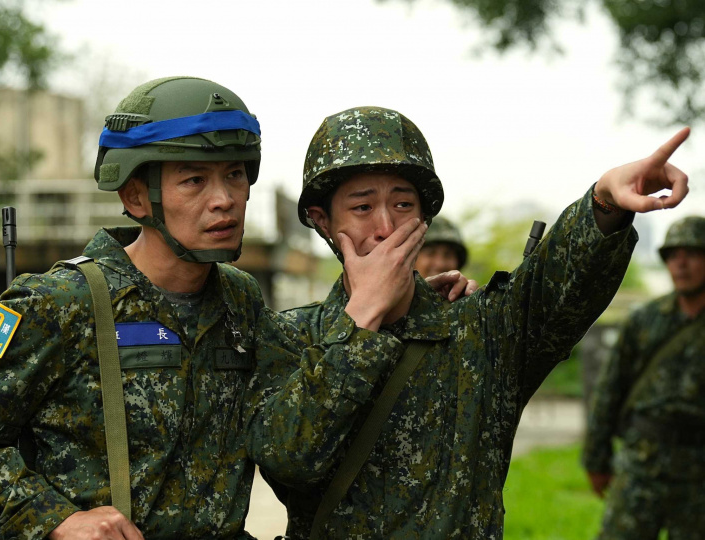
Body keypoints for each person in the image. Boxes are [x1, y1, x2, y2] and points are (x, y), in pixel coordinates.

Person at [0, 78, 471, 539]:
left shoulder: (241, 301)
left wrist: (410, 299)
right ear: (135, 197)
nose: (223, 200)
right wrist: (55, 520)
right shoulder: (61, 302)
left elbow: (308, 372)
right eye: (194, 180)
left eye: (235, 176)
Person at [245, 106, 690, 539]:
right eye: (362, 208)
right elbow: (288, 461)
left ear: (424, 218)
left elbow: (557, 285)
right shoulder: (291, 336)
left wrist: (604, 202)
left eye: (403, 204)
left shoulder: (479, 328)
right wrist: (360, 322)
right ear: (323, 221)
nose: (386, 226)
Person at [583, 216, 705, 540]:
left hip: (699, 472)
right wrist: (596, 458)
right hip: (641, 464)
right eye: (673, 256)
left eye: (692, 254)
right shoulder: (645, 320)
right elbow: (610, 389)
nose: (681, 264)